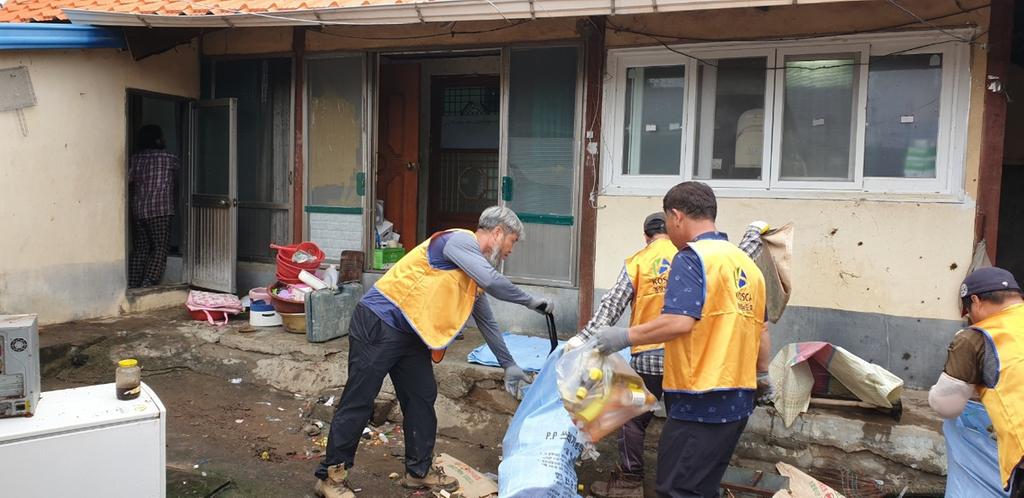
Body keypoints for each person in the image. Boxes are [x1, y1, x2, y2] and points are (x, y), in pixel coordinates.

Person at [314, 206, 554, 498]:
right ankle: (332, 478)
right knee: (359, 400)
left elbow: (487, 321)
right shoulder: (458, 241)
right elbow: (492, 282)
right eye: (512, 242)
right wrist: (530, 301)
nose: (511, 250)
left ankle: (418, 472)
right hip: (379, 322)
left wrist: (508, 364)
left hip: (411, 334)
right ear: (498, 232)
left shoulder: (471, 271)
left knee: (421, 398)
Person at [593, 181, 768, 498]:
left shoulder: (691, 258)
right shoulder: (747, 264)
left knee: (676, 490)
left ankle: (629, 480)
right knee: (703, 488)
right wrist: (763, 374)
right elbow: (761, 328)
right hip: (739, 400)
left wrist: (624, 335)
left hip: (700, 398)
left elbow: (678, 321)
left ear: (676, 216)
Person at [566, 212, 676, 498]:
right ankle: (677, 483)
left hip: (648, 353)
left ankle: (629, 482)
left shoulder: (638, 261)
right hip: (684, 357)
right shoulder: (689, 257)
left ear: (646, 236)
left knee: (633, 418)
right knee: (681, 422)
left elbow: (610, 308)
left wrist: (582, 340)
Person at [928, 267, 1024, 496]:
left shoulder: (977, 337)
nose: (970, 318)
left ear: (975, 301)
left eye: (968, 312)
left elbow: (946, 406)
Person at [127, 124, 179, 288]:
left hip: (139, 209)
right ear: (157, 140)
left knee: (141, 248)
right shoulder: (169, 158)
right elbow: (184, 171)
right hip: (160, 210)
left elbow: (128, 180)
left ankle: (133, 282)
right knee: (160, 248)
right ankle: (148, 281)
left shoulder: (135, 159)